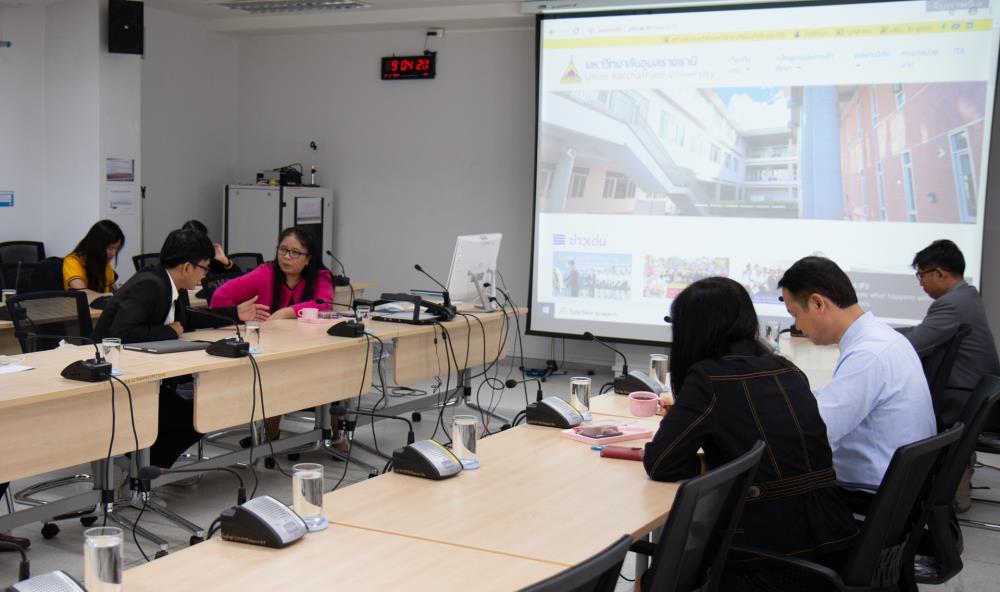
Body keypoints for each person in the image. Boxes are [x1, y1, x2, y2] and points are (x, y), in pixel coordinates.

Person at [642, 277, 857, 591]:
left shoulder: (708, 378)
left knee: (654, 580)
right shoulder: (787, 369)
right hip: (833, 543)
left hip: (769, 560)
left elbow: (661, 463)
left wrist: (702, 462)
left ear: (690, 329)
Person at [93, 228, 268, 467]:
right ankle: (143, 469)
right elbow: (120, 334)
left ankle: (147, 469)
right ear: (187, 267)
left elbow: (187, 320)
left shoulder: (172, 284)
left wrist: (235, 314)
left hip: (144, 375)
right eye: (204, 268)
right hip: (116, 381)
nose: (205, 275)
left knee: (201, 413)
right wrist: (169, 332)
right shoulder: (150, 284)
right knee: (197, 417)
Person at [778, 256, 935, 509]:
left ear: (818, 303)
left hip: (868, 496)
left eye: (794, 314)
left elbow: (817, 434)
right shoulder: (881, 337)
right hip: (897, 485)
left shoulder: (868, 355)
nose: (796, 325)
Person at [900, 239, 1000, 512]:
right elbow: (922, 332)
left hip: (963, 400)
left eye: (921, 275)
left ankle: (908, 484)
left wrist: (879, 337)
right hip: (978, 395)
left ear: (940, 273)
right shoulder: (966, 296)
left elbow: (915, 342)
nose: (921, 283)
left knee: (898, 406)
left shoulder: (951, 304)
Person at [210, 226, 335, 443]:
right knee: (273, 377)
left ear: (308, 259)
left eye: (295, 252)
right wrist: (243, 318)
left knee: (336, 373)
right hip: (271, 353)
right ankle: (270, 436)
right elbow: (220, 297)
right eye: (283, 250)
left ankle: (336, 435)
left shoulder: (320, 276)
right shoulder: (266, 273)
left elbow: (325, 304)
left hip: (311, 352)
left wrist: (286, 312)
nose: (286, 257)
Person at [63, 219, 125, 292]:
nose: (114, 253)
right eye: (110, 248)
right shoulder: (73, 261)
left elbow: (115, 292)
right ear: (96, 245)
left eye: (117, 248)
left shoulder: (104, 263)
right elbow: (83, 294)